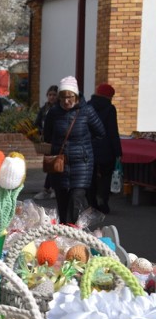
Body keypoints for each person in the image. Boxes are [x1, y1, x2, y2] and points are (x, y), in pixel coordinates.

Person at [43, 76, 105, 224]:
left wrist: (84, 148)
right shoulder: (53, 113)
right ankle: (64, 231)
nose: (66, 101)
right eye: (62, 97)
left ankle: (72, 232)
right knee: (62, 201)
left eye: (69, 97)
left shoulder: (87, 111)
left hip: (81, 164)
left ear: (76, 96)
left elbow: (100, 133)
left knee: (76, 198)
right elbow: (47, 135)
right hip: (60, 164)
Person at [87, 83, 122, 214]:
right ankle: (104, 202)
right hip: (106, 149)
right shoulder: (110, 108)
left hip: (89, 147)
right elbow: (113, 131)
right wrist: (118, 151)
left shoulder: (88, 106)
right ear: (109, 96)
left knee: (90, 177)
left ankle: (91, 203)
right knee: (106, 176)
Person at [33, 85, 59, 200]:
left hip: (56, 140)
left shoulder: (59, 109)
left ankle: (50, 188)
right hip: (46, 140)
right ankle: (50, 188)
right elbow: (37, 123)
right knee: (50, 165)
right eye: (50, 95)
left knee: (53, 165)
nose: (52, 97)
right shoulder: (44, 109)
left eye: (54, 95)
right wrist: (38, 132)